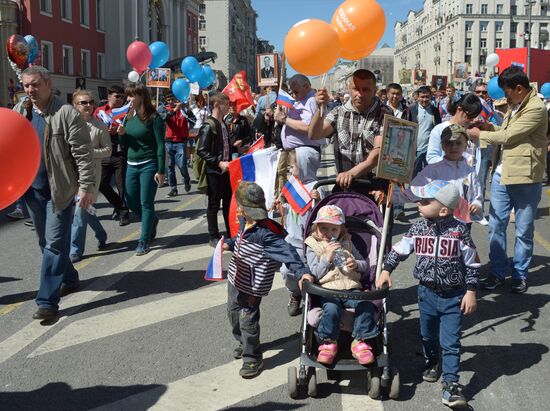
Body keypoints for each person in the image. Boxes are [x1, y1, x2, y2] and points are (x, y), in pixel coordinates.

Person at [377, 180, 479, 408]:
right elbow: (399, 250)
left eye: (425, 202)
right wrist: (386, 269)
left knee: (451, 343)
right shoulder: (418, 228)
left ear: (443, 209)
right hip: (425, 294)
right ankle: (432, 361)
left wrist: (471, 291)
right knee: (427, 336)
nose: (419, 205)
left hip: (453, 296)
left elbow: (472, 264)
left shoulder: (459, 231)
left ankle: (451, 385)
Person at [14, 65, 95, 321]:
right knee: (46, 243)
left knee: (53, 245)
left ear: (48, 84)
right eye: (27, 85)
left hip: (59, 192)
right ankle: (69, 277)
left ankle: (47, 301)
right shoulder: (21, 110)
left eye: (35, 84)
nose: (31, 90)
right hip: (32, 190)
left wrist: (85, 187)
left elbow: (83, 153)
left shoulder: (66, 113)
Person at [467, 66, 548, 293]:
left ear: (519, 88)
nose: (505, 96)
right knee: (495, 227)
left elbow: (509, 136)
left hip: (525, 177)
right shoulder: (516, 104)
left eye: (508, 91)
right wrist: (487, 126)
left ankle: (520, 275)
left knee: (523, 230)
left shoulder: (536, 108)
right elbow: (503, 129)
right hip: (502, 175)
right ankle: (497, 272)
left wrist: (480, 134)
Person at [225, 182, 313, 378]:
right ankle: (244, 342)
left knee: (247, 318)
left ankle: (252, 357)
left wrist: (301, 272)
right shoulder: (243, 221)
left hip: (252, 286)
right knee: (232, 312)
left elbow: (287, 252)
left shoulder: (266, 233)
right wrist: (230, 244)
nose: (242, 211)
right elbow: (240, 238)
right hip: (235, 277)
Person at [305, 205, 378, 366]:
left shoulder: (348, 243)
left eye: (334, 230)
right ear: (316, 228)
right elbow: (315, 273)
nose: (329, 234)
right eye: (324, 228)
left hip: (352, 288)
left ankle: (360, 341)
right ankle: (328, 342)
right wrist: (327, 258)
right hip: (327, 289)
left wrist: (356, 264)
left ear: (341, 230)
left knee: (367, 305)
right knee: (331, 308)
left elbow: (364, 266)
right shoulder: (313, 246)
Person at [308, 69, 392, 196]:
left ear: (375, 91)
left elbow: (377, 153)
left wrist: (351, 173)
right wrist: (320, 108)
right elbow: (314, 134)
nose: (360, 94)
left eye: (366, 89)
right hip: (345, 184)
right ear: (349, 89)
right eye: (356, 89)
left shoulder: (385, 113)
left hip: (375, 186)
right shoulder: (338, 112)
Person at [116, 83, 166, 256]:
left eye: (131, 96)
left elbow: (160, 146)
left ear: (141, 97)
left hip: (149, 164)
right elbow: (125, 145)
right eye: (127, 96)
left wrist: (161, 170)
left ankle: (144, 240)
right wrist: (121, 135)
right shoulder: (128, 117)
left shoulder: (154, 118)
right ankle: (152, 220)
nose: (128, 99)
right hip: (131, 164)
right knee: (130, 201)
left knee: (146, 203)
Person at [278, 146, 326, 316]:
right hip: (292, 239)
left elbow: (324, 210)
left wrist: (319, 200)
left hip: (310, 241)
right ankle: (295, 293)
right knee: (286, 271)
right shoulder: (293, 183)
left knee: (312, 270)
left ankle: (313, 297)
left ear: (305, 164)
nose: (290, 169)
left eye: (293, 166)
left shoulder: (317, 187)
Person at [69, 90, 112, 263]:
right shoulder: (69, 124)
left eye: (90, 102)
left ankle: (75, 250)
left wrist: (89, 153)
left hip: (90, 176)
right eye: (83, 102)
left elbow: (108, 151)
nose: (87, 105)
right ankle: (102, 234)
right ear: (75, 105)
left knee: (79, 213)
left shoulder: (99, 126)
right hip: (71, 175)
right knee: (86, 210)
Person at [413, 125, 483, 223]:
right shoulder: (433, 169)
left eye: (458, 143)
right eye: (449, 143)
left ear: (466, 146)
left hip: (462, 221)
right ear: (442, 146)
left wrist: (476, 205)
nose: (454, 147)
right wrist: (394, 196)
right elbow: (414, 188)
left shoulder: (470, 172)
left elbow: (476, 196)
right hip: (436, 218)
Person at [196, 92, 234, 247]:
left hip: (227, 170)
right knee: (213, 203)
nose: (229, 107)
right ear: (217, 104)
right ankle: (213, 235)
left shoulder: (223, 123)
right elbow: (202, 151)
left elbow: (224, 145)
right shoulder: (208, 126)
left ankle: (231, 231)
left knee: (228, 203)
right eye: (226, 103)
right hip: (215, 171)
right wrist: (218, 162)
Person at [274, 74, 323, 192]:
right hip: (299, 151)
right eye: (292, 92)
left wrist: (284, 119)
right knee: (301, 186)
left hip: (305, 150)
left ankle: (310, 209)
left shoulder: (311, 101)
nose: (293, 95)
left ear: (306, 86)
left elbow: (310, 128)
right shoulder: (303, 99)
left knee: (307, 187)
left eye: (295, 91)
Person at [94, 85, 130, 226]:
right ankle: (119, 206)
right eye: (117, 96)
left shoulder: (126, 112)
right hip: (103, 153)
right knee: (101, 184)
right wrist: (107, 131)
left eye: (122, 96)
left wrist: (122, 131)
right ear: (109, 96)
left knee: (121, 186)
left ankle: (123, 214)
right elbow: (94, 127)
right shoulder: (99, 112)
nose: (120, 99)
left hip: (120, 152)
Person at [426, 93, 482, 165]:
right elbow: (431, 158)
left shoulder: (473, 130)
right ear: (459, 110)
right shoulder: (439, 129)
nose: (473, 120)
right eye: (470, 116)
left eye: (476, 116)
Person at [407, 85, 442, 177]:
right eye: (422, 97)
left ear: (431, 97)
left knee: (429, 175)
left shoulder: (434, 111)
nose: (425, 99)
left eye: (427, 97)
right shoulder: (411, 109)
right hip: (416, 149)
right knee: (413, 175)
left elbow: (438, 128)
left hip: (430, 149)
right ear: (418, 97)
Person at [163, 93, 191, 197]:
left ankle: (186, 179)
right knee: (170, 166)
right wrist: (174, 110)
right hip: (168, 141)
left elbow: (193, 120)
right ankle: (173, 189)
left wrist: (187, 112)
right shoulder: (164, 109)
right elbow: (164, 118)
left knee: (182, 165)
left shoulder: (183, 110)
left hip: (180, 141)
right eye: (168, 100)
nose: (171, 102)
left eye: (172, 99)